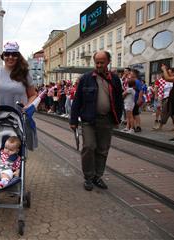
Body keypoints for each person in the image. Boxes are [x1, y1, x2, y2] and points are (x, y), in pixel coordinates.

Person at [70, 50, 123, 191]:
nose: (99, 65)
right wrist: (73, 120)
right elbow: (77, 100)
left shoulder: (115, 79)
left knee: (103, 149)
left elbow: (119, 100)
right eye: (97, 62)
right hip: (89, 120)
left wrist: (118, 117)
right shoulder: (86, 78)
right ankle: (88, 177)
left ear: (108, 62)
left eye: (102, 62)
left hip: (107, 120)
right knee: (88, 147)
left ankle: (97, 176)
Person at [0, 41, 37, 111]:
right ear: (3, 56)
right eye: (7, 54)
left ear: (18, 57)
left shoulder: (25, 73)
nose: (10, 57)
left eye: (14, 54)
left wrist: (28, 106)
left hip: (19, 117)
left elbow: (32, 95)